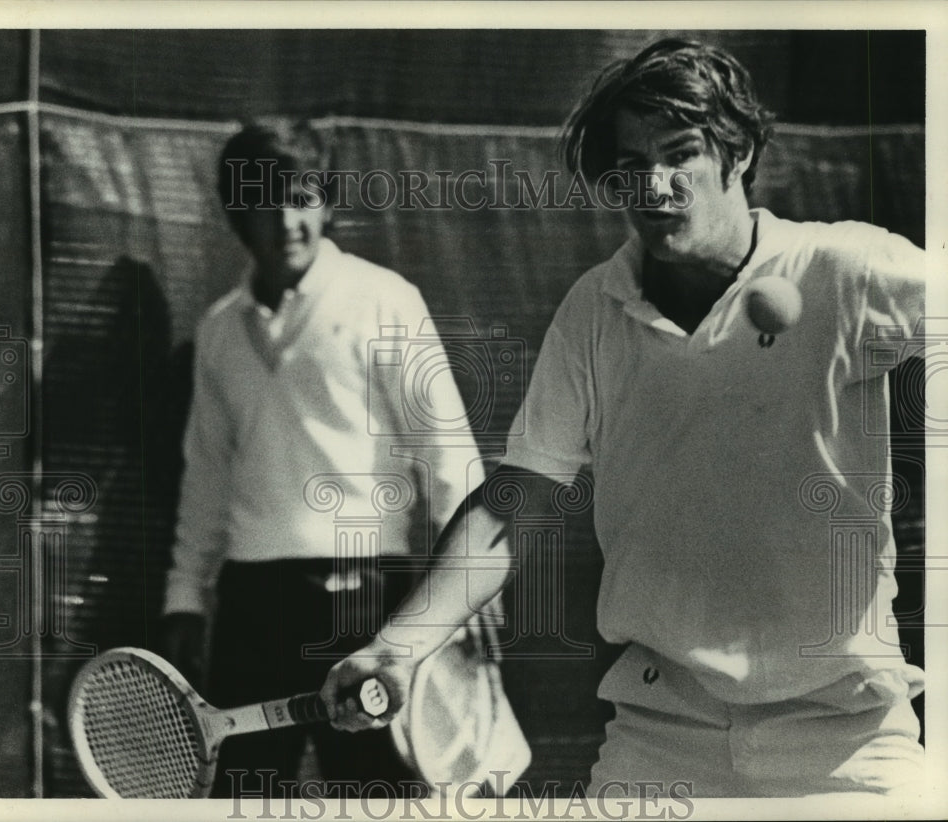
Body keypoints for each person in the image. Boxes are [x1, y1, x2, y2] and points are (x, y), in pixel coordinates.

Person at [323, 39, 928, 798]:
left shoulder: (846, 271)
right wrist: (399, 647)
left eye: (680, 154)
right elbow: (519, 501)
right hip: (662, 738)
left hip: (847, 740)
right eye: (631, 164)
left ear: (737, 155)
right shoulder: (593, 312)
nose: (654, 183)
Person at [161, 121, 484, 797]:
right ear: (236, 214)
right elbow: (208, 476)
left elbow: (447, 450)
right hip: (251, 605)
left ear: (327, 202)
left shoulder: (385, 300)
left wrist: (468, 582)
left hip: (365, 599)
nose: (287, 219)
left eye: (302, 196)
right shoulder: (219, 332)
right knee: (243, 801)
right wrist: (185, 595)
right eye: (265, 201)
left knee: (380, 802)